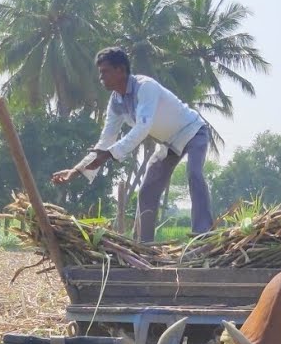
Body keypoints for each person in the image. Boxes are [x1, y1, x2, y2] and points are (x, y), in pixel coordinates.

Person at [52, 46, 214, 241]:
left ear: (120, 70)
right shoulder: (116, 101)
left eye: (105, 72)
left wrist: (110, 154)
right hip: (168, 144)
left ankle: (203, 233)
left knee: (194, 174)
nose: (101, 77)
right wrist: (76, 170)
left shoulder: (146, 87)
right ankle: (144, 245)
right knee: (147, 191)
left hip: (193, 131)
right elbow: (105, 140)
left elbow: (142, 129)